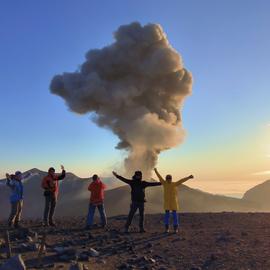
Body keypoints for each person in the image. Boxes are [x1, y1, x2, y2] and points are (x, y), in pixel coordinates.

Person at [154, 168, 194, 233]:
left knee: (174, 215)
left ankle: (175, 228)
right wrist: (156, 171)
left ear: (171, 179)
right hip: (167, 202)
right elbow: (159, 177)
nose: (168, 180)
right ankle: (167, 229)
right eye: (167, 179)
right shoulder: (164, 183)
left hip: (173, 202)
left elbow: (181, 181)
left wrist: (188, 177)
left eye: (169, 178)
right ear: (166, 179)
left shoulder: (173, 184)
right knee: (167, 216)